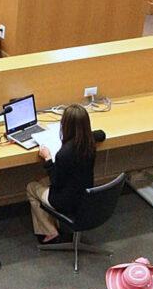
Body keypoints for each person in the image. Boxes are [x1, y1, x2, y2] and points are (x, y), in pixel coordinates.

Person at [25, 103, 98, 244]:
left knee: (31, 187)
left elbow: (56, 182)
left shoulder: (64, 154)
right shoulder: (90, 142)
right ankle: (53, 223)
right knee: (42, 182)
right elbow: (101, 134)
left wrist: (47, 159)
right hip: (85, 196)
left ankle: (49, 232)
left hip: (65, 201)